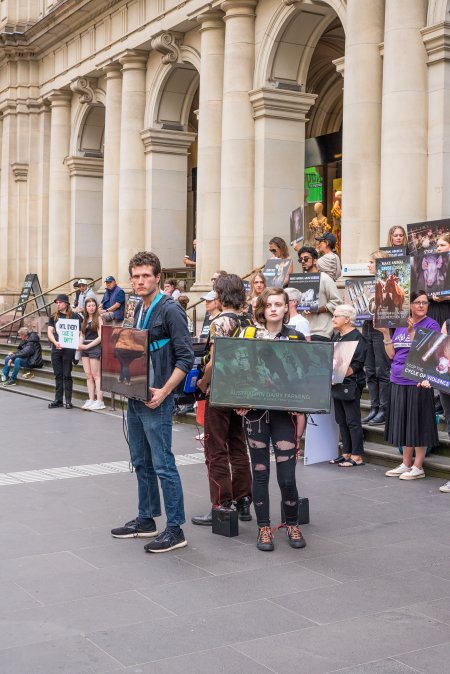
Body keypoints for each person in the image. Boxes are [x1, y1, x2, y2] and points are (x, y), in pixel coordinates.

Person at [111, 251, 194, 553]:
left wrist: (164, 392)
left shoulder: (170, 310)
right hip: (136, 395)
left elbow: (186, 358)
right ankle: (146, 519)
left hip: (157, 399)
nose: (141, 281)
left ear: (158, 276)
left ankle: (175, 528)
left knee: (163, 464)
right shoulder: (137, 307)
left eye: (146, 275)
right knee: (141, 461)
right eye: (136, 276)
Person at [235, 287, 307, 551]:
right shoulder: (248, 334)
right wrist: (238, 401)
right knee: (261, 472)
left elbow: (304, 376)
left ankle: (292, 523)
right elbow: (236, 369)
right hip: (255, 413)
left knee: (287, 477)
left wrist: (302, 406)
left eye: (279, 304)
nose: (274, 308)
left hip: (284, 414)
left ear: (287, 307)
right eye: (269, 304)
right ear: (262, 309)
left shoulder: (297, 337)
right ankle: (264, 527)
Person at [192, 274, 253, 526]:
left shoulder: (221, 321)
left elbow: (216, 359)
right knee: (238, 446)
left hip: (220, 388)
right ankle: (243, 500)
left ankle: (221, 503)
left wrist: (202, 382)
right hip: (241, 390)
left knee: (215, 449)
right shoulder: (249, 318)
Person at [378, 290, 440, 480]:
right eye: (417, 302)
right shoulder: (401, 324)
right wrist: (385, 333)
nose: (421, 305)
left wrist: (413, 334)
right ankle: (406, 463)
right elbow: (391, 354)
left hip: (418, 381)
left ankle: (418, 466)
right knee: (404, 423)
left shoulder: (432, 324)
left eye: (425, 303)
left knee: (418, 423)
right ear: (410, 305)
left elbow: (428, 354)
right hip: (398, 379)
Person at [329, 305, 367, 467]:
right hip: (336, 382)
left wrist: (339, 374)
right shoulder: (337, 336)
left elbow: (357, 364)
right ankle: (346, 453)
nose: (333, 319)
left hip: (351, 384)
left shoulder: (357, 337)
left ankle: (357, 455)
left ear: (346, 319)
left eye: (336, 316)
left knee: (352, 420)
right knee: (341, 420)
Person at [361, 250, 391, 425]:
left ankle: (384, 409)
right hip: (367, 327)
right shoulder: (366, 284)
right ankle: (374, 407)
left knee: (382, 370)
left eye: (371, 262)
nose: (369, 265)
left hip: (381, 329)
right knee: (370, 370)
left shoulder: (391, 284)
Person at [296, 246, 342, 341]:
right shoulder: (300, 280)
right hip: (303, 331)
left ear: (315, 261)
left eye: (306, 258)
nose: (303, 261)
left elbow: (337, 302)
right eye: (301, 260)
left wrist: (317, 309)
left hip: (321, 332)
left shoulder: (325, 278)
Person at [47, 294, 80, 409]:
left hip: (69, 349)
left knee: (67, 374)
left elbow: (80, 332)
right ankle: (58, 399)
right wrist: (55, 342)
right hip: (57, 348)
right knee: (58, 375)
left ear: (66, 303)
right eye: (57, 302)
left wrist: (77, 344)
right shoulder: (53, 317)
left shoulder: (74, 316)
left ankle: (68, 400)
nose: (58, 304)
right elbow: (50, 332)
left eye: (60, 302)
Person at [79, 298, 105, 410]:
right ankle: (91, 399)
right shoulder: (84, 319)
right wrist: (80, 344)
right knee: (88, 375)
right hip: (84, 347)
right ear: (85, 307)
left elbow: (101, 336)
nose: (91, 307)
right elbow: (82, 334)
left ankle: (100, 401)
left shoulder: (98, 318)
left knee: (96, 375)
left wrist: (87, 346)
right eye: (89, 305)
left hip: (94, 347)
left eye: (93, 305)